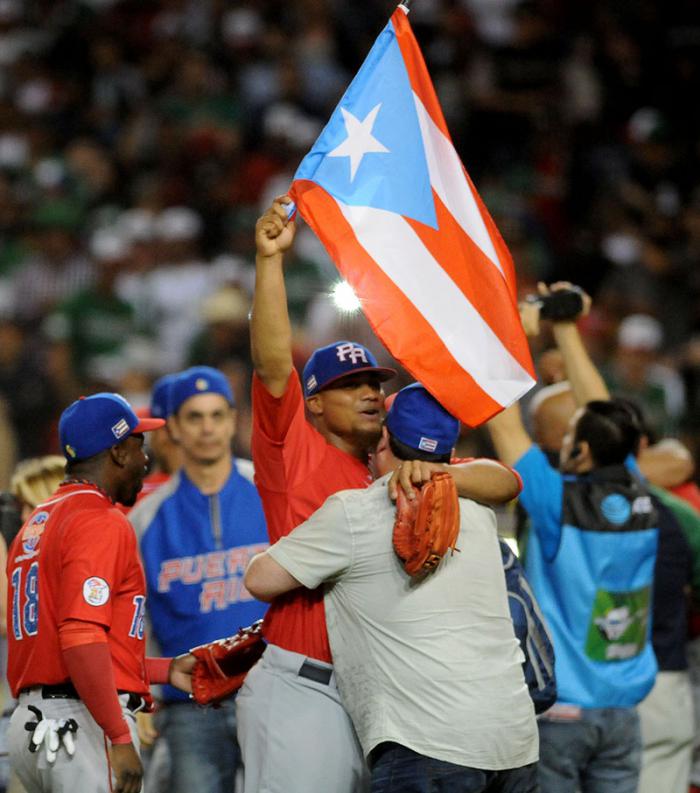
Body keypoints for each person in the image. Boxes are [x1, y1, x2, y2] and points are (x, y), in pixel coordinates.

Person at [235, 195, 524, 793]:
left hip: (389, 700)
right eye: (347, 386)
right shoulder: (293, 447)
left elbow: (503, 480)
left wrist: (440, 475)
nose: (368, 391)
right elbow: (269, 365)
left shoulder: (398, 460)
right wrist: (269, 263)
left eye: (373, 381)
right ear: (313, 403)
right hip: (306, 683)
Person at [245, 383, 539, 793]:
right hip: (514, 743)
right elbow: (507, 480)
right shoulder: (479, 511)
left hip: (427, 745)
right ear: (450, 454)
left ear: (383, 438)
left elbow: (259, 579)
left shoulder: (356, 511)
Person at [488, 288, 659, 793]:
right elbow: (602, 409)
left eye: (568, 438)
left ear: (580, 451)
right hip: (624, 709)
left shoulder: (555, 500)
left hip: (564, 712)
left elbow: (502, 418)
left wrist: (516, 333)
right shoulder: (637, 487)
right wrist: (566, 327)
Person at [5, 392, 195, 793]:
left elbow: (60, 646)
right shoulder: (99, 520)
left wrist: (161, 671)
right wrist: (119, 736)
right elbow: (80, 638)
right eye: (137, 446)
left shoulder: (36, 522)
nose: (145, 460)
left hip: (31, 726)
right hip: (81, 726)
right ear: (117, 453)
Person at [128, 365, 268, 793]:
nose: (207, 428)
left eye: (216, 415)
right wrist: (139, 696)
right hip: (189, 703)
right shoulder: (144, 519)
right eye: (194, 417)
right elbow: (133, 618)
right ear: (173, 427)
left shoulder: (269, 490)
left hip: (271, 690)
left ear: (233, 419)